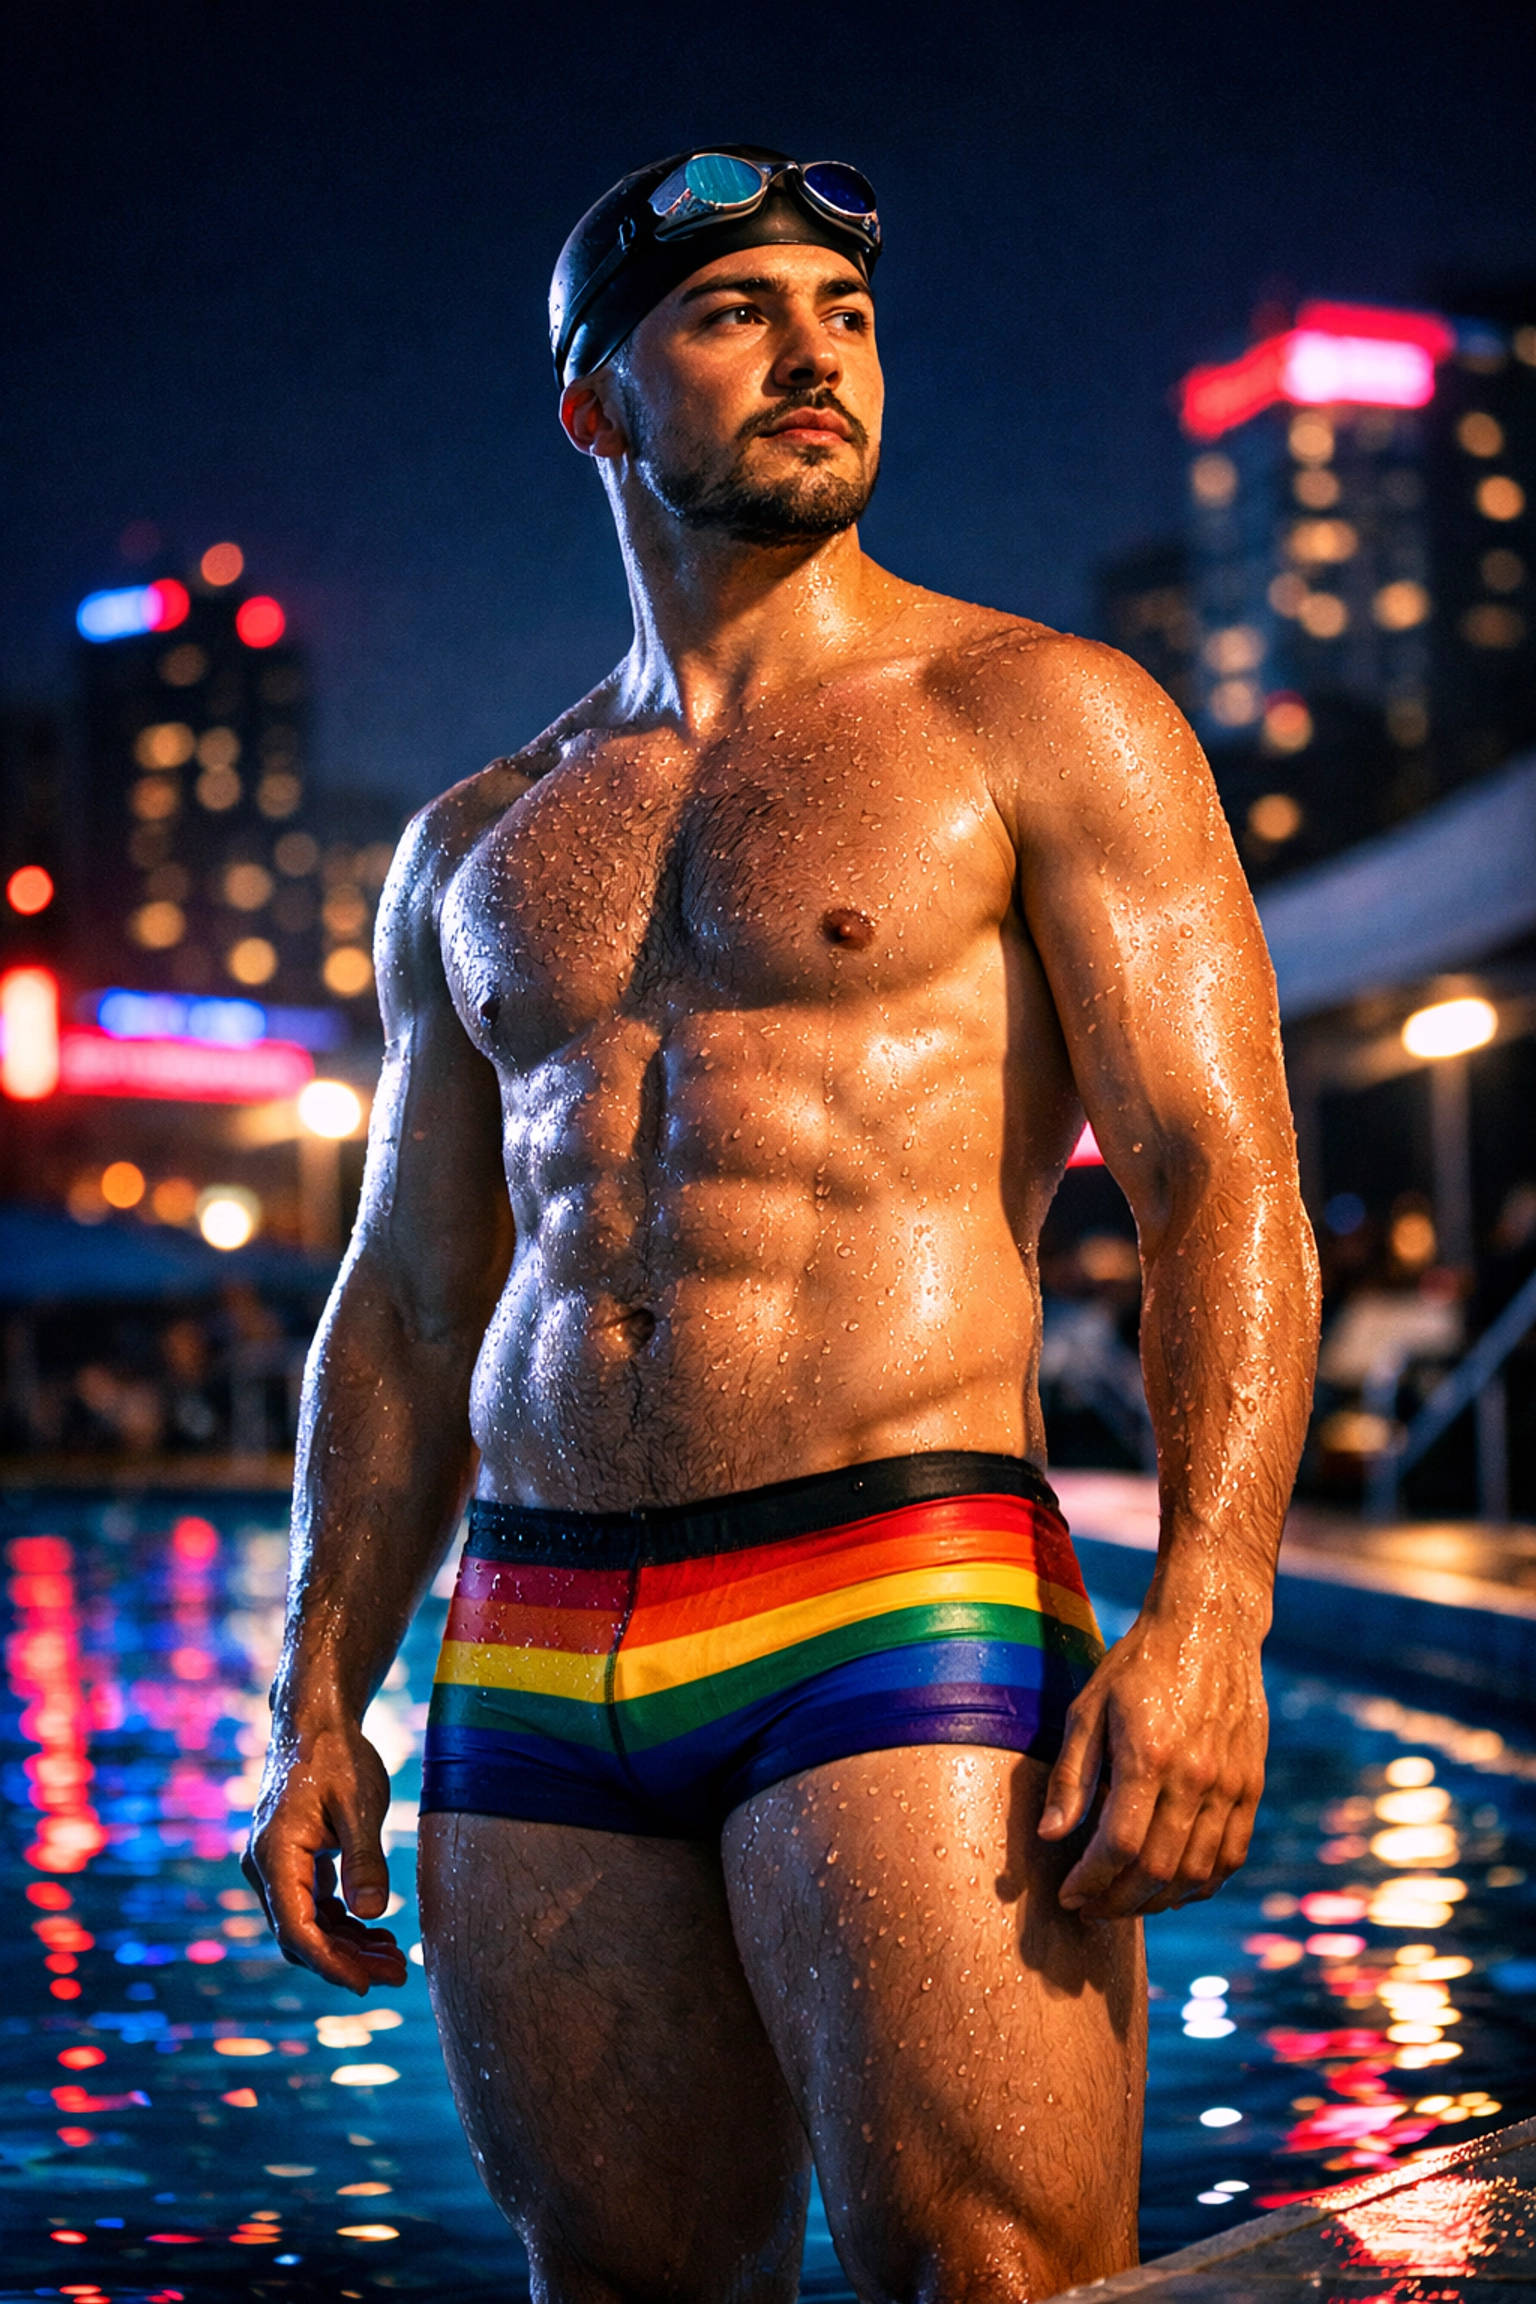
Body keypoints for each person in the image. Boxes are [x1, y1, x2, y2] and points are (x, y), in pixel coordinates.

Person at [246, 146, 1320, 2303]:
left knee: (987, 2270)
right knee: (620, 2283)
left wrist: (1216, 1615)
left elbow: (1224, 1187)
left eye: (842, 311)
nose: (813, 352)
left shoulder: (1038, 720)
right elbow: (409, 1296)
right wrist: (313, 1694)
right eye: (732, 313)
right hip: (535, 1633)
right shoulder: (480, 838)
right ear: (596, 404)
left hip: (887, 1583)